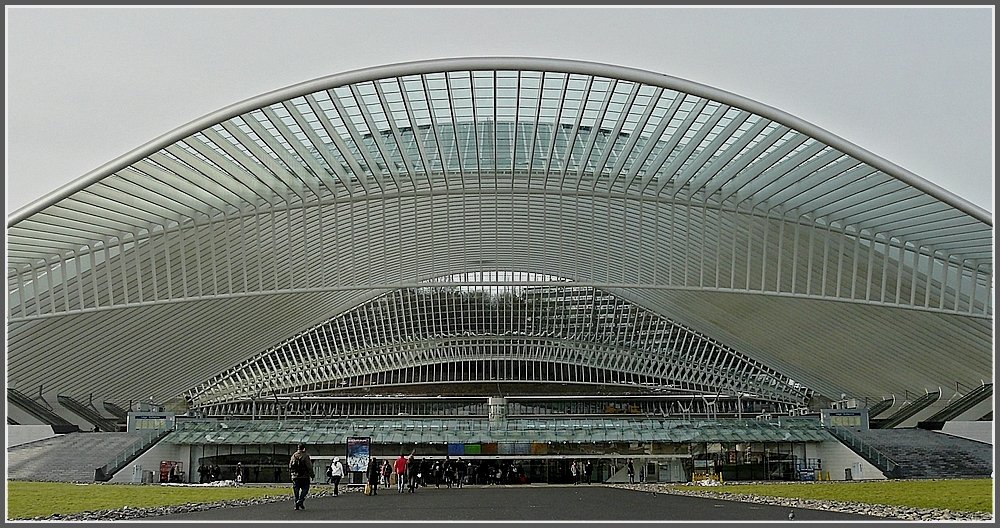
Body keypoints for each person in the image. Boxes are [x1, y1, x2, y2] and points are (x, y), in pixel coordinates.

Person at [289, 443, 314, 510]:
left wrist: (292, 474)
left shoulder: (294, 455)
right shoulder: (305, 456)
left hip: (295, 476)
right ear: (304, 448)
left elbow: (290, 466)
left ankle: (296, 504)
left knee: (296, 490)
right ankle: (300, 500)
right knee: (305, 489)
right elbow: (309, 467)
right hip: (304, 476)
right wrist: (312, 475)